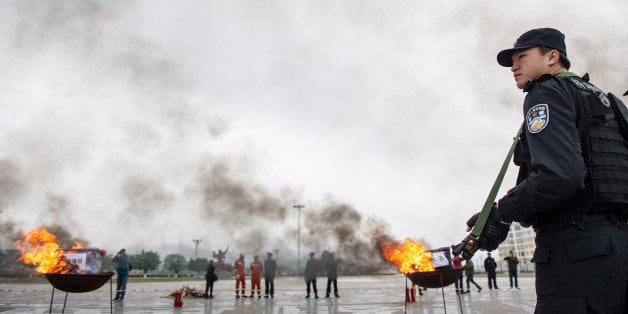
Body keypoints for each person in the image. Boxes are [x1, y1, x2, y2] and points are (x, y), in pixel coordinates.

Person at [465, 28, 628, 312]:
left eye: (522, 57)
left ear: (552, 57)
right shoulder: (605, 100)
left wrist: (501, 214)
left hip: (577, 251)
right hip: (618, 248)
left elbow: (560, 175)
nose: (514, 66)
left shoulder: (547, 91)